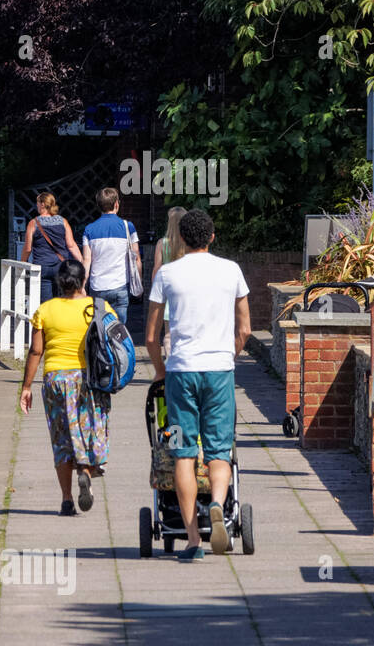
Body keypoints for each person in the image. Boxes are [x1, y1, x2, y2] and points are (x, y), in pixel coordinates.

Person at [145, 209, 251, 561]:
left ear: (180, 240)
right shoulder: (231, 271)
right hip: (218, 371)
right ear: (212, 236)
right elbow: (245, 329)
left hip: (181, 373)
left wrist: (161, 371)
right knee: (220, 450)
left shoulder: (168, 274)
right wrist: (229, 357)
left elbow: (150, 336)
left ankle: (192, 539)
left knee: (183, 452)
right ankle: (218, 505)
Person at [19, 259, 113, 516]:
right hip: (88, 380)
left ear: (59, 282)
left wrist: (26, 386)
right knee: (91, 429)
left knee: (61, 437)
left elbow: (37, 350)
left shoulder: (45, 310)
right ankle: (86, 470)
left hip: (56, 380)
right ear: (83, 281)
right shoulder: (98, 308)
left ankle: (66, 500)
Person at [81, 187, 141, 329]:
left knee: (100, 330)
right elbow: (136, 257)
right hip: (120, 286)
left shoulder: (89, 229)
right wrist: (139, 285)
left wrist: (82, 285)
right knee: (119, 330)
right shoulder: (128, 227)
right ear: (116, 204)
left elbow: (86, 260)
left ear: (98, 205)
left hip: (98, 287)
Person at [21, 191, 85, 305]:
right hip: (60, 267)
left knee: (46, 303)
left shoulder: (33, 223)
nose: (36, 206)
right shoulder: (63, 221)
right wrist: (82, 261)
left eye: (37, 203)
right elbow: (71, 245)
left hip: (42, 267)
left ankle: (49, 321)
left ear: (42, 204)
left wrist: (22, 262)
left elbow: (27, 248)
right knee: (61, 300)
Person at [152, 206, 188, 357]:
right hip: (187, 292)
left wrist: (155, 290)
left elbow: (157, 269)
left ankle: (169, 366)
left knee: (168, 335)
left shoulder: (162, 243)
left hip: (168, 293)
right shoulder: (189, 243)